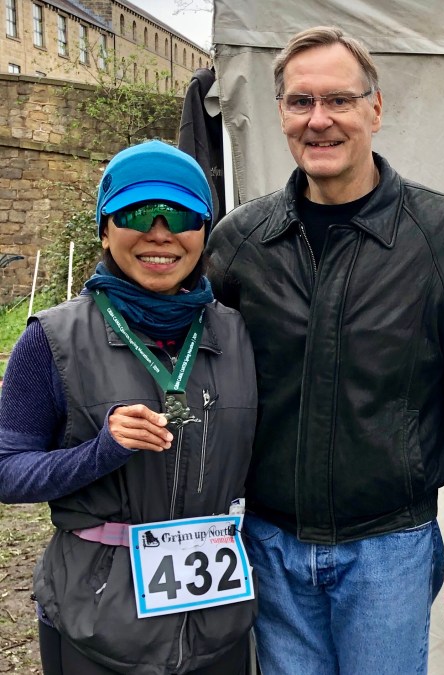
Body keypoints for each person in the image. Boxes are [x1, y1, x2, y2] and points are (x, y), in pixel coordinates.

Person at [206, 26, 444, 674]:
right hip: (270, 545)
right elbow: (186, 359)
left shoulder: (440, 236)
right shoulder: (241, 243)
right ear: (281, 113)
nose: (319, 119)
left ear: (375, 109)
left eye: (339, 100)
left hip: (389, 549)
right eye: (301, 101)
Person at [0, 140, 258, 674]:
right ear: (104, 229)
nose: (160, 233)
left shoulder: (240, 333)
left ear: (204, 231)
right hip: (98, 626)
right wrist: (100, 452)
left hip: (219, 624)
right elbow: (6, 470)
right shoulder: (52, 339)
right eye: (138, 214)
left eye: (181, 216)